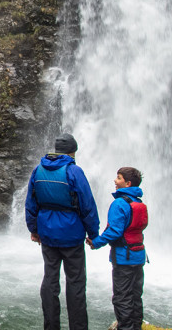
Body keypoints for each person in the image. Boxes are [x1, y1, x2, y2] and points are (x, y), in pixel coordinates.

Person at [25, 133, 100, 330]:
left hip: (47, 234)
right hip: (72, 235)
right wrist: (93, 234)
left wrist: (34, 229)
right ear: (72, 151)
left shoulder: (38, 170)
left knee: (50, 280)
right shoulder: (74, 171)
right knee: (75, 283)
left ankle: (51, 326)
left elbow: (31, 203)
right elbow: (87, 205)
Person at [86, 167, 148, 330]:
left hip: (124, 257)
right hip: (139, 256)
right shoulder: (138, 203)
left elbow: (115, 230)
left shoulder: (120, 203)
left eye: (119, 178)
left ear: (127, 183)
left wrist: (96, 242)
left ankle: (125, 328)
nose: (115, 180)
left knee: (122, 298)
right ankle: (136, 327)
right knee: (135, 296)